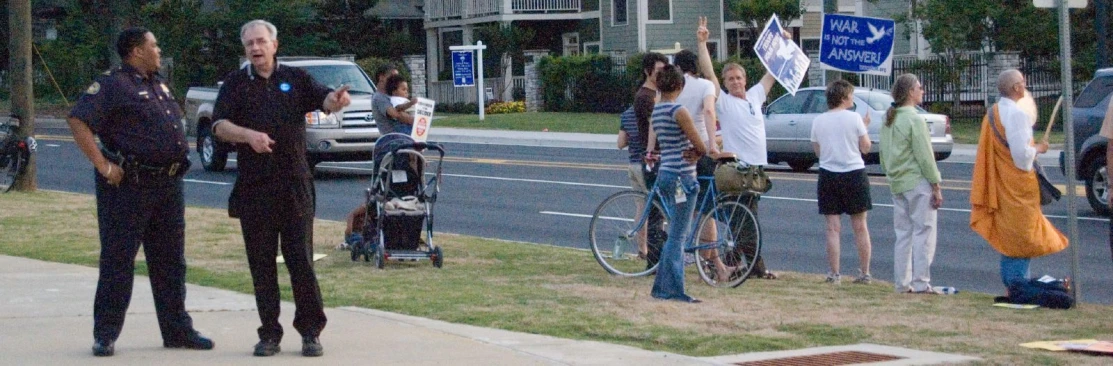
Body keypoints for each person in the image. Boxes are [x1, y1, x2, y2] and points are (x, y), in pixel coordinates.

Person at [67, 26, 214, 357]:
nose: (159, 50)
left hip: (168, 185)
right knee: (118, 260)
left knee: (171, 262)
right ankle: (106, 334)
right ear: (136, 51)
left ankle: (177, 330)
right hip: (129, 187)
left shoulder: (158, 83)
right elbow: (78, 120)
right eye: (154, 45)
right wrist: (103, 165)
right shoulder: (112, 84)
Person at [210, 19, 351, 357]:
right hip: (254, 186)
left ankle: (310, 332)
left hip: (294, 184)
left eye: (261, 42)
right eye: (249, 44)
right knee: (261, 264)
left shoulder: (295, 78)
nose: (255, 49)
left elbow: (325, 100)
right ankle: (269, 333)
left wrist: (336, 100)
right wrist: (248, 136)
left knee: (300, 260)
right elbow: (218, 125)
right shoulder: (235, 84)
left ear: (275, 45)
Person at [970, 69, 1068, 293]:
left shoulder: (993, 113)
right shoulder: (1017, 115)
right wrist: (1039, 148)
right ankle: (1018, 286)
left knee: (1010, 234)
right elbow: (1022, 158)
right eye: (1023, 82)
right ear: (1016, 87)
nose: (1025, 85)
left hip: (1002, 183)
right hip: (1018, 186)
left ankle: (1016, 285)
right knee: (1021, 236)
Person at [698, 16, 779, 280]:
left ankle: (732, 263)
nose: (735, 82)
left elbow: (773, 72)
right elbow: (709, 73)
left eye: (738, 77)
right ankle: (756, 267)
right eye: (730, 78)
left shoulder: (755, 96)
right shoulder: (724, 102)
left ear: (745, 79)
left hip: (757, 168)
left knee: (744, 219)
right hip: (736, 169)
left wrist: (783, 42)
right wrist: (703, 43)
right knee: (745, 219)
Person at [677, 18, 733, 282]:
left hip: (678, 153)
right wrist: (711, 144)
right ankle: (711, 264)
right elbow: (710, 91)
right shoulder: (705, 87)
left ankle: (709, 263)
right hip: (701, 151)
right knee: (705, 210)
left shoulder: (672, 88)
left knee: (684, 207)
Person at [650, 65, 708, 303]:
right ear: (679, 86)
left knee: (675, 230)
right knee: (677, 236)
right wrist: (699, 152)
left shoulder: (657, 111)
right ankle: (672, 289)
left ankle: (662, 286)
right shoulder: (679, 111)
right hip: (682, 177)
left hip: (665, 174)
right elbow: (700, 144)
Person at [880, 73, 942, 294]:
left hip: (897, 182)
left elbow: (883, 155)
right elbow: (925, 156)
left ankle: (902, 282)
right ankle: (921, 281)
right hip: (916, 181)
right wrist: (935, 183)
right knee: (923, 232)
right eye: (919, 87)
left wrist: (891, 174)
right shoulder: (914, 119)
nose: (922, 90)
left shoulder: (889, 119)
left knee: (903, 233)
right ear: (910, 92)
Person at [810, 80, 873, 284]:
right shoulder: (854, 118)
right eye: (851, 96)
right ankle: (864, 273)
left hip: (829, 174)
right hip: (854, 173)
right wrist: (864, 129)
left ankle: (834, 273)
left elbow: (817, 151)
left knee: (832, 228)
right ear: (844, 98)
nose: (852, 99)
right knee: (860, 226)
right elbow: (865, 147)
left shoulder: (818, 121)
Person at [633, 51, 669, 266]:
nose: (661, 75)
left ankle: (657, 256)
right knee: (656, 211)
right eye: (658, 72)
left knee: (660, 210)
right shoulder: (646, 97)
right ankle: (654, 259)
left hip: (658, 156)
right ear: (647, 72)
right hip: (653, 158)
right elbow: (656, 124)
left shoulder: (656, 94)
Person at [372, 64, 416, 135]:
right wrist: (418, 122)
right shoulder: (380, 98)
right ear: (381, 77)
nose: (396, 80)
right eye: (393, 77)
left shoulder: (391, 96)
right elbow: (396, 115)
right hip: (394, 138)